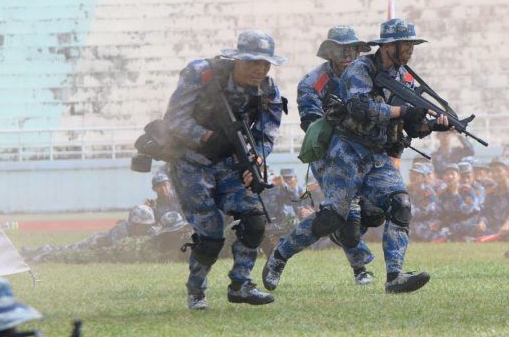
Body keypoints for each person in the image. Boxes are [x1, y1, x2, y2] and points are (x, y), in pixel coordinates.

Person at [263, 18, 452, 294]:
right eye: (406, 44)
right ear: (388, 46)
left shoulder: (403, 77)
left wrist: (432, 123)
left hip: (377, 155)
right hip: (343, 153)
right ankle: (280, 255)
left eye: (412, 44)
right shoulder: (358, 71)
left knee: (400, 204)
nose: (410, 50)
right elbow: (359, 108)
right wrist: (403, 113)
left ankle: (395, 276)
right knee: (332, 219)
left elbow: (410, 124)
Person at [164, 30, 286, 309]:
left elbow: (267, 135)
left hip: (231, 163)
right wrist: (207, 136)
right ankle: (196, 290)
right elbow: (173, 121)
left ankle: (241, 284)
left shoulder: (267, 90)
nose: (260, 69)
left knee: (255, 219)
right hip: (192, 164)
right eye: (253, 62)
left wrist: (255, 160)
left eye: (265, 63)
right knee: (211, 235)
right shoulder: (201, 74)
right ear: (237, 59)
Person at [294, 26, 376, 284]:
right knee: (347, 213)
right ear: (330, 52)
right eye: (341, 49)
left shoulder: (368, 75)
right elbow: (312, 124)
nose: (347, 53)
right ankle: (361, 269)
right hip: (329, 154)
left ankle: (340, 233)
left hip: (365, 151)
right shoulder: (313, 82)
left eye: (351, 48)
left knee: (375, 209)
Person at [21, 205, 157, 262]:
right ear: (133, 223)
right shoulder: (121, 229)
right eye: (141, 226)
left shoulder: (149, 231)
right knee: (68, 250)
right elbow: (118, 249)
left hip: (101, 249)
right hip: (95, 244)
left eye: (146, 226)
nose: (144, 229)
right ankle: (36, 253)